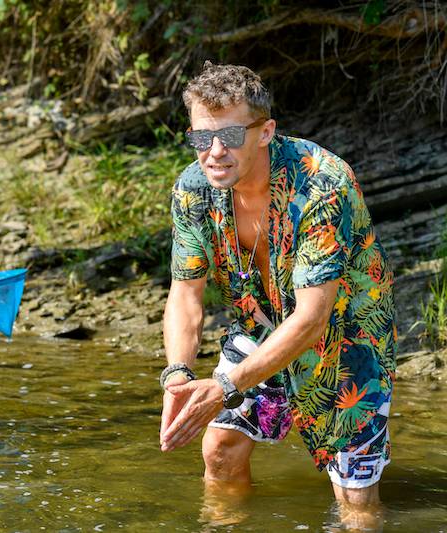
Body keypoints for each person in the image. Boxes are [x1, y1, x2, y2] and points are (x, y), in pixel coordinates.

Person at [158, 62, 396, 516]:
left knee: (354, 498)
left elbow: (311, 319)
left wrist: (225, 384)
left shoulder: (322, 183)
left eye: (228, 137)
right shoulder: (193, 189)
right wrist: (178, 375)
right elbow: (186, 293)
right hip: (261, 321)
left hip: (345, 332)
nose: (213, 152)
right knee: (220, 450)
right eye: (200, 138)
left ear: (265, 132)